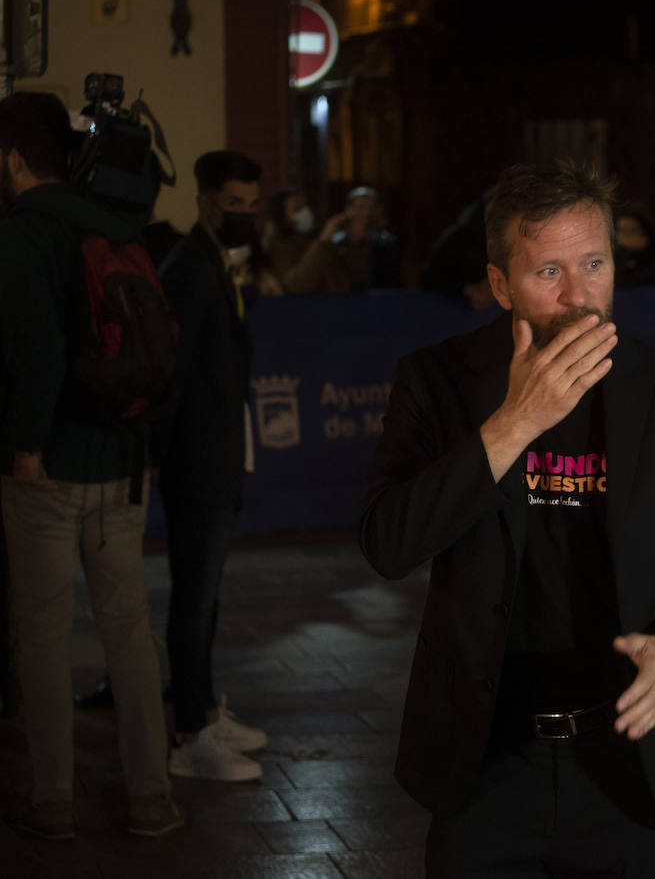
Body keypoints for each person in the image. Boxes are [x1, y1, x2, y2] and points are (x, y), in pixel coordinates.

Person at [358, 160, 655, 875]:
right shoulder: (437, 380)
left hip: (629, 763)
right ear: (498, 284)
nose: (580, 296)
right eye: (549, 271)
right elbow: (388, 543)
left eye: (594, 264)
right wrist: (513, 424)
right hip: (485, 764)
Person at [0, 91, 182, 839]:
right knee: (128, 628)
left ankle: (54, 799)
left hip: (52, 470)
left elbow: (36, 354)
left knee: (43, 633)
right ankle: (152, 798)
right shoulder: (112, 225)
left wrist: (26, 447)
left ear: (11, 159)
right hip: (122, 465)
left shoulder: (24, 235)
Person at [155, 150, 268, 782]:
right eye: (234, 205)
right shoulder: (192, 270)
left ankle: (201, 709)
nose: (245, 216)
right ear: (204, 201)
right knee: (194, 598)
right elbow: (173, 377)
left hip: (216, 454)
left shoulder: (218, 264)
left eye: (252, 206)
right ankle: (190, 733)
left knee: (207, 594)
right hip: (197, 461)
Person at [283, 185, 403, 293]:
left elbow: (394, 282)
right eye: (360, 208)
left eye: (371, 208)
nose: (366, 213)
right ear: (349, 210)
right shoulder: (334, 243)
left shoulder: (386, 243)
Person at [612, 209, 655, 287]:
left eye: (632, 231)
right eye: (621, 231)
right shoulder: (614, 256)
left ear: (645, 233)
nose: (625, 237)